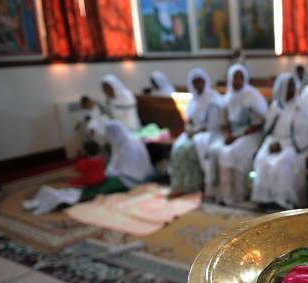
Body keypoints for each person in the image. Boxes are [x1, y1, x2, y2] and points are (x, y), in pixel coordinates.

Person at [23, 121, 154, 213]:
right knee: (99, 182)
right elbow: (116, 163)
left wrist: (108, 173)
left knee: (99, 188)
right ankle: (60, 197)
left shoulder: (127, 145)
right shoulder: (128, 139)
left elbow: (123, 168)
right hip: (136, 175)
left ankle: (65, 199)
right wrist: (108, 171)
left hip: (131, 179)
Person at [251, 73, 308, 209]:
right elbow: (269, 127)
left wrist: (283, 145)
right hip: (274, 141)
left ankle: (284, 201)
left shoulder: (303, 105)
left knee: (282, 163)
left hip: (295, 144)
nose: (291, 91)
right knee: (262, 160)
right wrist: (274, 144)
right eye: (288, 87)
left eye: (293, 87)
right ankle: (263, 198)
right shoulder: (276, 105)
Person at [168, 68, 224, 198]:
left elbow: (213, 125)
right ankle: (178, 185)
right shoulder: (194, 100)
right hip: (194, 134)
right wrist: (189, 129)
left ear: (205, 82)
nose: (198, 85)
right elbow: (190, 120)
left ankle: (191, 185)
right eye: (195, 82)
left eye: (200, 82)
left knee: (186, 151)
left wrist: (195, 132)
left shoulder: (213, 99)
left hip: (209, 135)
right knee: (176, 148)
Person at [217, 64, 268, 205]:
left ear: (245, 79)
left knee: (236, 151)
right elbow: (225, 121)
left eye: (240, 77)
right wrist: (228, 135)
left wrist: (236, 136)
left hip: (251, 134)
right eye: (235, 77)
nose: (237, 81)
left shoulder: (252, 96)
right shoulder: (228, 97)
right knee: (224, 152)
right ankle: (227, 195)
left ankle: (241, 193)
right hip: (234, 135)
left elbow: (258, 123)